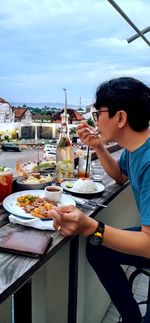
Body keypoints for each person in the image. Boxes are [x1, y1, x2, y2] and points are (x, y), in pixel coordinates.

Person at [49, 77, 150, 323]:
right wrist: (98, 146)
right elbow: (119, 175)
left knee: (96, 239)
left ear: (121, 117)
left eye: (98, 113)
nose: (95, 120)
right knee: (97, 249)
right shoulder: (136, 148)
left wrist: (92, 226)